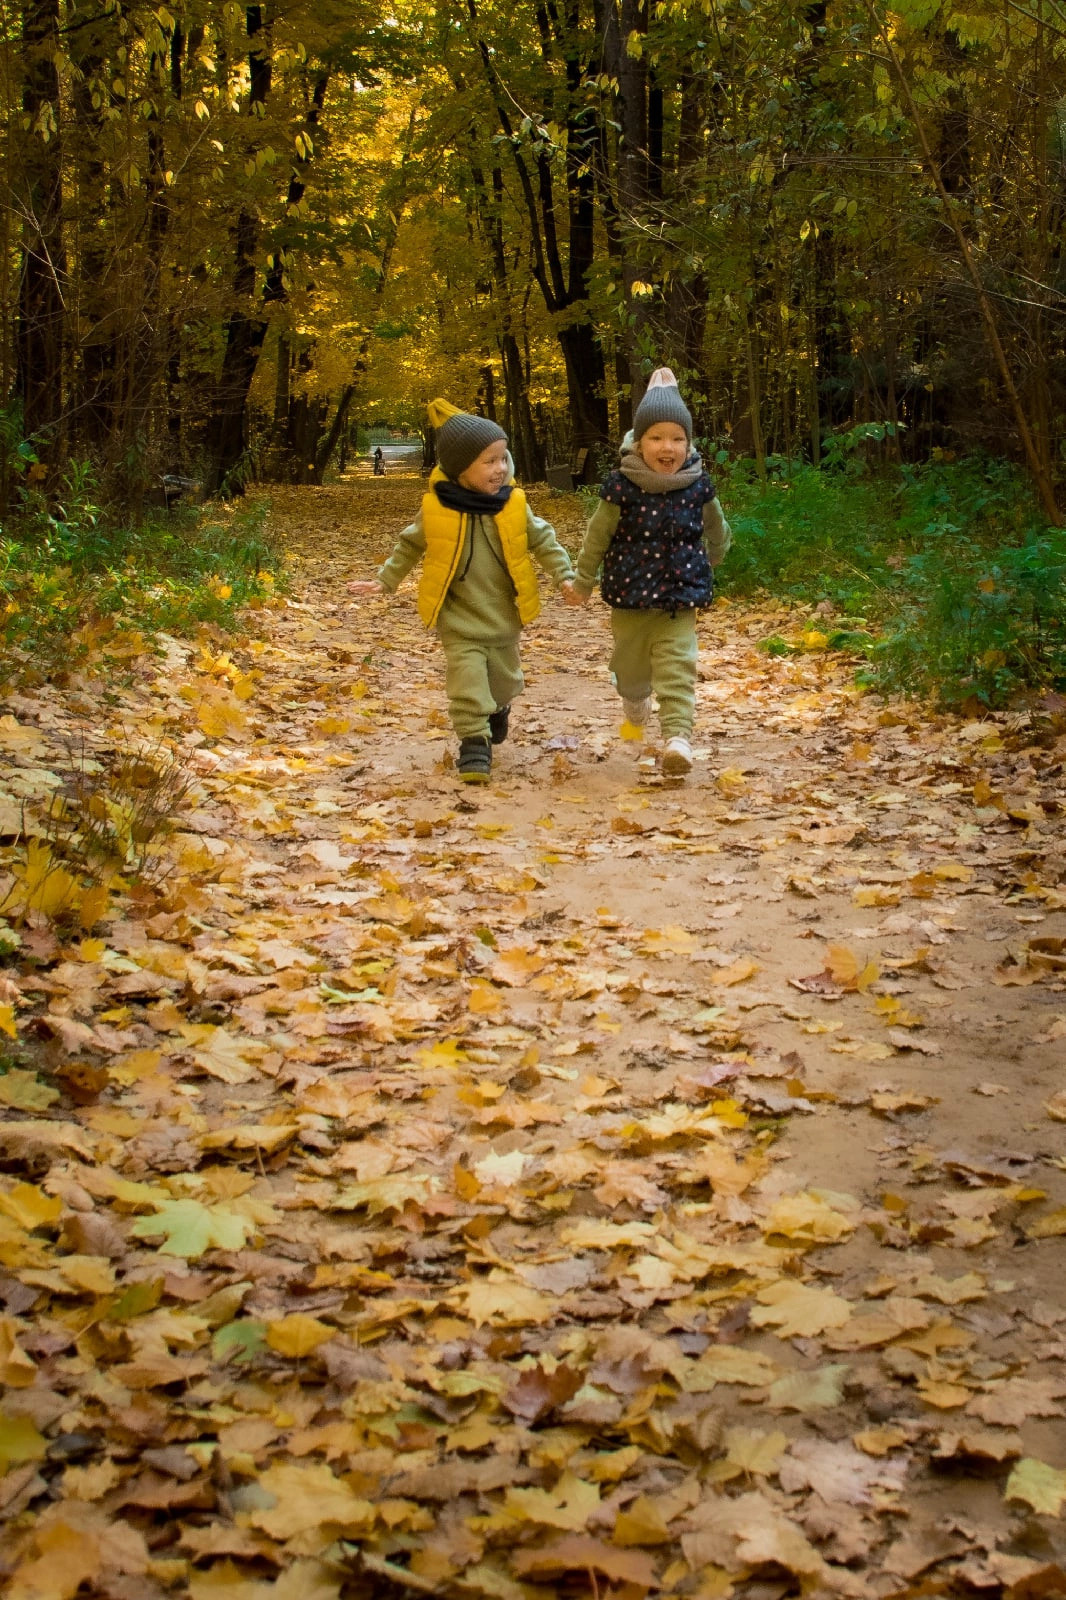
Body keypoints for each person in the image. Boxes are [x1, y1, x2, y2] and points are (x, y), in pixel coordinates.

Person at [349, 400, 576, 782]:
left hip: (503, 615)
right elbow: (410, 545)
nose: (500, 469)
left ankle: (498, 708)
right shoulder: (437, 507)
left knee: (504, 681)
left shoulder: (514, 504)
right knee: (466, 681)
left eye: (503, 459)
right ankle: (474, 743)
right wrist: (385, 580)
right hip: (457, 616)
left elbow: (543, 540)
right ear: (460, 468)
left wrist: (565, 576)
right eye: (489, 462)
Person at [564, 368, 731, 777]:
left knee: (678, 668)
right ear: (639, 443)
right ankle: (633, 699)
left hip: (680, 598)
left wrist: (715, 556)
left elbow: (717, 528)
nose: (667, 447)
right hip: (630, 600)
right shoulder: (621, 487)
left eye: (677, 438)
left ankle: (678, 739)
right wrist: (583, 581)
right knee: (631, 671)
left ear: (688, 443)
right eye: (656, 437)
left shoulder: (698, 485)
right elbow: (596, 538)